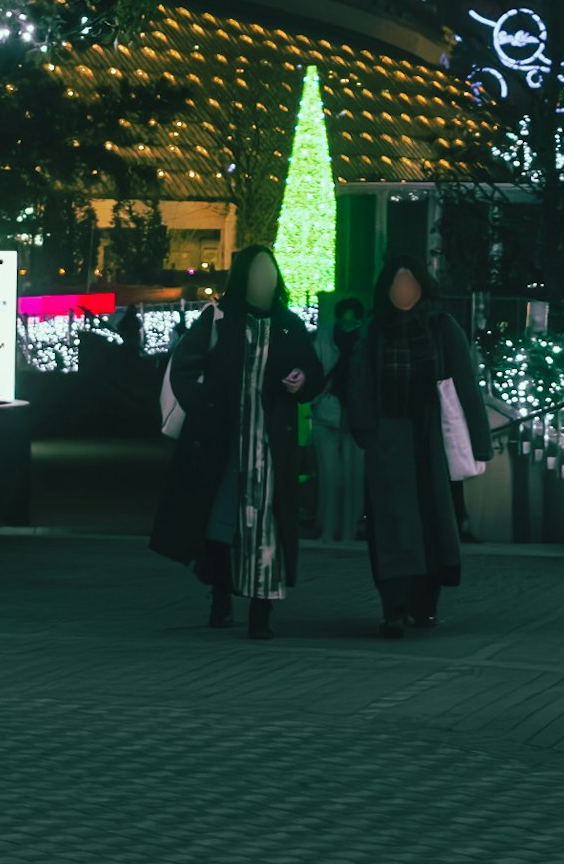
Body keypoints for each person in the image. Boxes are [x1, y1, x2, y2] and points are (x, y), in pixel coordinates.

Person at [151, 248, 324, 634]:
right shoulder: (219, 319)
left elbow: (313, 374)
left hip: (270, 446)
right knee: (222, 522)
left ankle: (262, 611)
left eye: (271, 271)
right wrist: (207, 407)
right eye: (259, 271)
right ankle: (221, 596)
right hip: (224, 444)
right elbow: (184, 367)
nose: (266, 279)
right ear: (244, 277)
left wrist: (300, 379)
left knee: (268, 526)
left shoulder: (287, 324)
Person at [353, 251, 489, 637]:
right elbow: (360, 384)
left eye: (410, 282)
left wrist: (478, 443)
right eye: (397, 283)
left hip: (433, 440)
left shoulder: (442, 327)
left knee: (433, 523)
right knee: (392, 525)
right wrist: (368, 433)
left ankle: (424, 604)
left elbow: (465, 384)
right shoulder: (376, 330)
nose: (403, 290)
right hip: (390, 441)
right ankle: (394, 606)